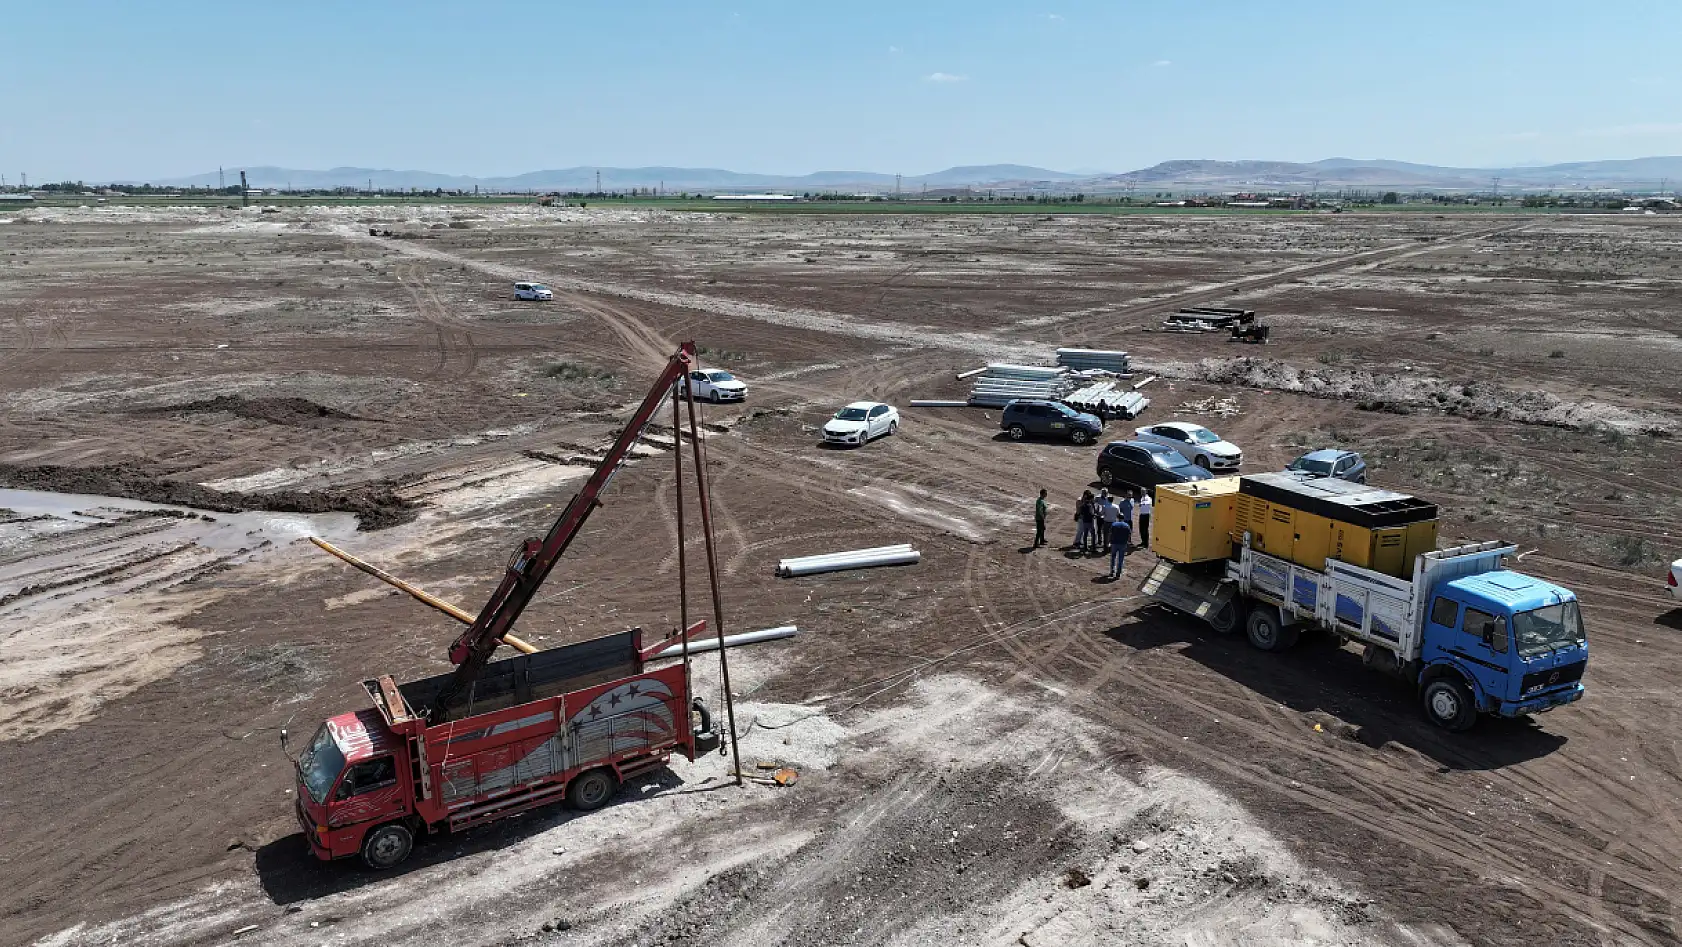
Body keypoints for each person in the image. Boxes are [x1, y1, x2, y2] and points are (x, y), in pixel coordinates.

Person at [1108, 510, 1133, 579]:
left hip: (1114, 543)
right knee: (1121, 559)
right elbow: (1129, 535)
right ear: (1123, 518)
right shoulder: (1127, 525)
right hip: (1123, 544)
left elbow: (1110, 534)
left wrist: (1109, 542)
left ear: (1117, 518)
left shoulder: (1114, 524)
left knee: (1113, 557)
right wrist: (1128, 542)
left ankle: (1112, 571)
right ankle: (1118, 573)